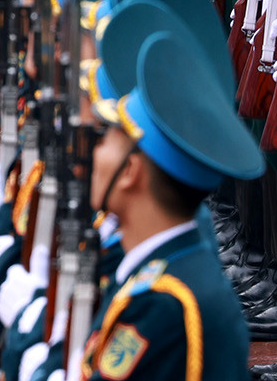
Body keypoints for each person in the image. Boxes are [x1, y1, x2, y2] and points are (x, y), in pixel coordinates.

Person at [80, 33, 261, 379]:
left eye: (105, 139)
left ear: (130, 172)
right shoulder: (160, 274)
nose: (94, 151)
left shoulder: (165, 306)